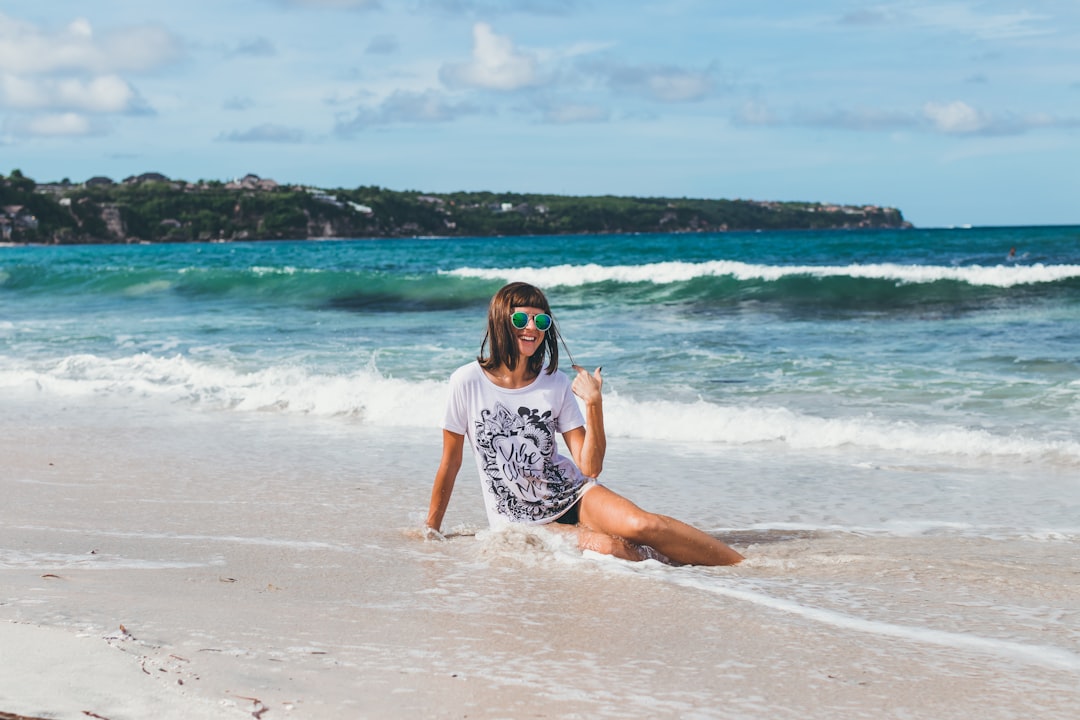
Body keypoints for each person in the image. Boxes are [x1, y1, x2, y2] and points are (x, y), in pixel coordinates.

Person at [424, 281, 743, 566]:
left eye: (541, 320)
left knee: (644, 526)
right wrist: (431, 531)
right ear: (500, 323)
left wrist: (594, 404)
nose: (531, 328)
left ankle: (742, 567)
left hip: (573, 494)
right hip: (523, 520)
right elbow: (450, 462)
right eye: (521, 319)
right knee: (611, 548)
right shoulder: (466, 381)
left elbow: (589, 467)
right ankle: (675, 568)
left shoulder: (555, 382)